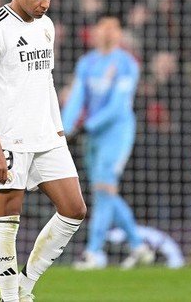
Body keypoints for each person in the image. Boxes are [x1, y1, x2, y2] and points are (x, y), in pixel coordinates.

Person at [0, 0, 87, 302]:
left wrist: (58, 126)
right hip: (8, 139)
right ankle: (10, 297)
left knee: (75, 209)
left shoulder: (46, 26)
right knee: (8, 219)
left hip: (46, 135)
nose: (44, 4)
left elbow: (46, 79)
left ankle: (25, 285)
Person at [61, 15, 154, 269]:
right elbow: (77, 98)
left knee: (103, 190)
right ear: (95, 32)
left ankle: (94, 253)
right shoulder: (87, 62)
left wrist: (86, 126)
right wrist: (63, 129)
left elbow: (117, 106)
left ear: (119, 34)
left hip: (116, 134)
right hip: (92, 137)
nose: (107, 33)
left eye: (113, 29)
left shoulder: (127, 64)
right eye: (103, 28)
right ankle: (138, 246)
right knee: (104, 192)